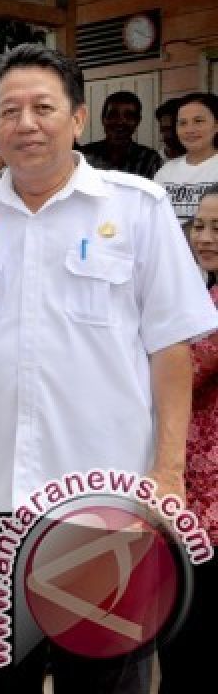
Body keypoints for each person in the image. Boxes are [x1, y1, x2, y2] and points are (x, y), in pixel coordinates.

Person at [0, 44, 217, 693]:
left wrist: (167, 473)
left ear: (77, 119)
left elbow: (171, 348)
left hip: (107, 504)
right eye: (10, 110)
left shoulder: (136, 208)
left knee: (105, 680)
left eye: (43, 107)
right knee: (2, 678)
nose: (26, 123)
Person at [156, 183, 218, 691]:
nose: (205, 237)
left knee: (190, 626)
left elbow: (185, 369)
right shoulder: (207, 292)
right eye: (199, 225)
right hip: (197, 484)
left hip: (206, 492)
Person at [155, 92, 218, 226]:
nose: (190, 130)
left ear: (216, 125)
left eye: (198, 121)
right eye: (182, 123)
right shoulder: (165, 172)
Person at [81, 91, 162, 180]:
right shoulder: (84, 156)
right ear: (103, 119)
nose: (120, 122)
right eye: (113, 115)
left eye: (129, 116)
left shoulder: (150, 160)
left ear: (137, 121)